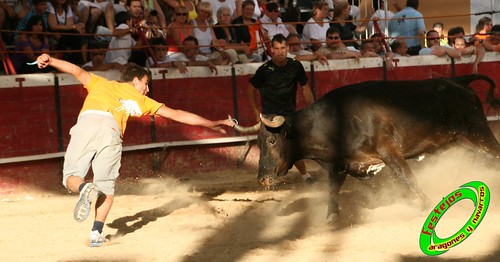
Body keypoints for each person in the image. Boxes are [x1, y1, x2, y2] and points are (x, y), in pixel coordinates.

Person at [33, 52, 234, 247]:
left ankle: (85, 188)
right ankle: (95, 234)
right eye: (146, 84)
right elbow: (177, 114)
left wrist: (50, 60)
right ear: (136, 80)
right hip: (112, 130)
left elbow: (76, 71)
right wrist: (212, 123)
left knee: (72, 178)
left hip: (89, 122)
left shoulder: (102, 83)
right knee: (106, 185)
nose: (147, 90)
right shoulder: (142, 101)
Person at [247, 34, 315, 185]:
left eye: (283, 48)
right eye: (276, 48)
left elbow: (305, 88)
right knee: (271, 147)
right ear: (271, 50)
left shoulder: (296, 66)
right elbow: (250, 88)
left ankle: (305, 175)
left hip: (289, 115)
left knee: (293, 146)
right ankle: (267, 176)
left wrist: (313, 109)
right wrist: (255, 111)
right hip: (270, 117)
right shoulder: (265, 70)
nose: (280, 51)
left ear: (288, 48)